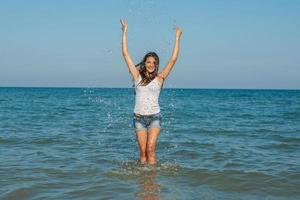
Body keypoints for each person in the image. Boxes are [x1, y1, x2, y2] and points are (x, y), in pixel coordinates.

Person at [120, 18, 182, 165]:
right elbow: (125, 54)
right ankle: (143, 182)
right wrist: (124, 32)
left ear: (156, 64)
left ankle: (152, 183)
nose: (151, 65)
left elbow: (173, 60)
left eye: (154, 63)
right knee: (142, 153)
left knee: (150, 150)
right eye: (148, 62)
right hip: (139, 118)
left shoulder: (160, 78)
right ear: (144, 63)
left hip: (155, 117)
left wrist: (177, 37)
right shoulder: (136, 75)